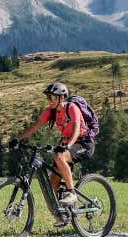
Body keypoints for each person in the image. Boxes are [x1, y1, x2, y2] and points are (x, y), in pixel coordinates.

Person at [15, 82, 94, 226]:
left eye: (52, 97)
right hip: (66, 143)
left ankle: (72, 193)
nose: (50, 100)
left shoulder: (72, 108)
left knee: (60, 157)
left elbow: (76, 130)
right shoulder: (50, 111)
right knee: (53, 182)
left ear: (62, 97)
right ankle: (63, 215)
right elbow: (34, 127)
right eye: (48, 97)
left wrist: (68, 145)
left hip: (83, 143)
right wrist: (18, 139)